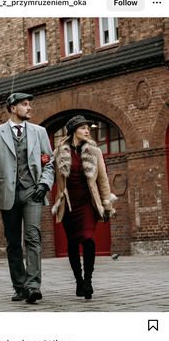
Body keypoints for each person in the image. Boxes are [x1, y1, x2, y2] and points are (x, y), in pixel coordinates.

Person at [0, 92, 54, 304]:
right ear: (13, 108)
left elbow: (48, 162)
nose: (29, 108)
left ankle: (33, 286)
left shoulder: (39, 132)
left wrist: (44, 183)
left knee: (32, 237)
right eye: (24, 104)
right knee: (13, 242)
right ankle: (20, 286)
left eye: (29, 104)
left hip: (33, 191)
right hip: (8, 193)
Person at [52, 115, 117, 299]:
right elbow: (51, 173)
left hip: (87, 202)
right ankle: (78, 280)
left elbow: (102, 179)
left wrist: (106, 203)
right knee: (73, 243)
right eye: (82, 128)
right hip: (69, 204)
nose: (87, 130)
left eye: (88, 127)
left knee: (88, 239)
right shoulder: (59, 151)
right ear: (73, 130)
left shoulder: (94, 151)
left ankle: (88, 280)